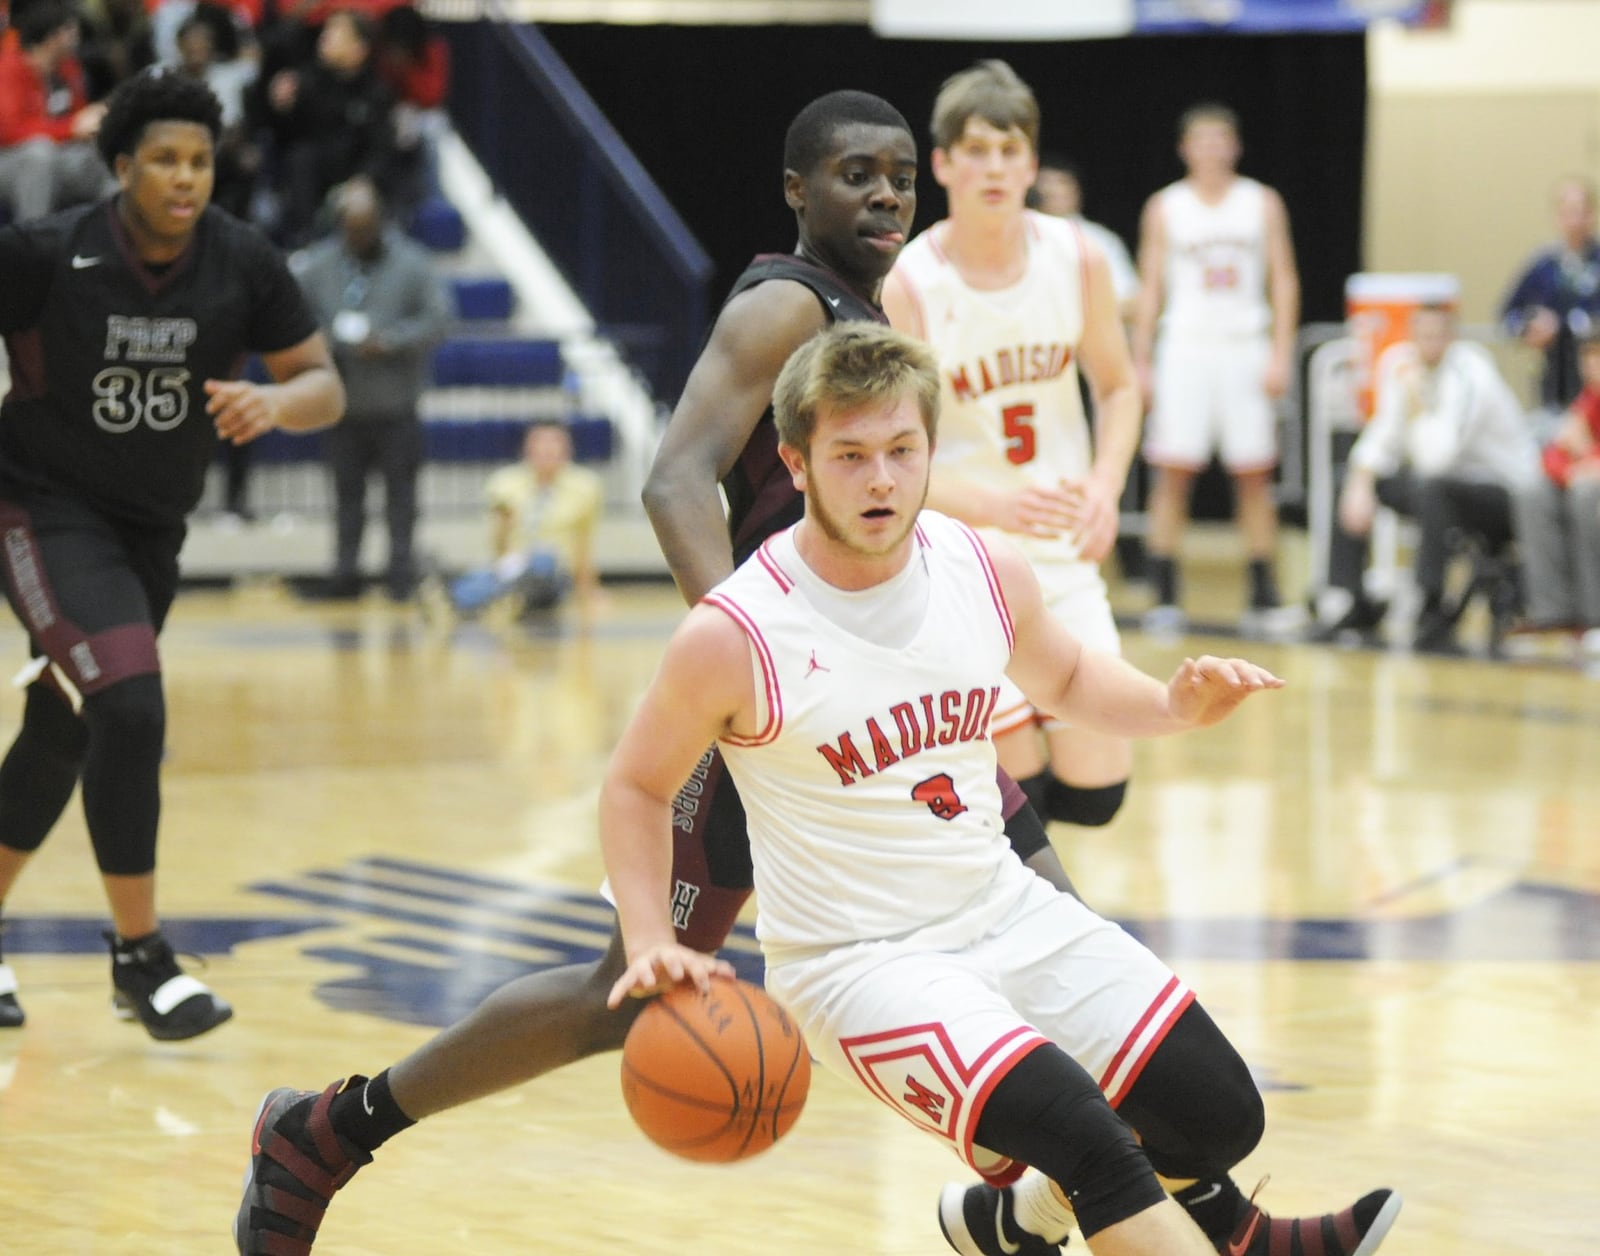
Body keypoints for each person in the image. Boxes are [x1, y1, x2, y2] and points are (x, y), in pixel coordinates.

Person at [233, 88, 1078, 1256]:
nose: (885, 193)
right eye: (854, 174)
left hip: (899, 705)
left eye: (898, 175)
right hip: (787, 719)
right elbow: (676, 476)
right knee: (616, 994)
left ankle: (1126, 1208)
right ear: (796, 190)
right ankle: (326, 1129)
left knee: (1049, 929)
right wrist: (758, 655)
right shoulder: (785, 302)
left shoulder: (861, 310)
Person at [602, 322, 1400, 1256]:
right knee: (1088, 1141)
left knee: (1216, 1117)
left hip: (1004, 909)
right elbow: (634, 786)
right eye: (850, 456)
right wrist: (649, 943)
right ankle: (1089, 1216)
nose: (882, 480)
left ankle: (1015, 1223)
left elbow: (1062, 680)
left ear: (931, 450)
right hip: (861, 964)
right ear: (797, 460)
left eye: (902, 452)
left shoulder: (984, 566)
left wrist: (1173, 705)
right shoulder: (735, 633)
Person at [0, 67, 343, 1037]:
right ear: (121, 167)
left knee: (65, 729)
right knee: (131, 704)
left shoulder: (242, 261)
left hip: (150, 531)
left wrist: (276, 402)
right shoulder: (43, 252)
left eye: (199, 160)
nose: (185, 177)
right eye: (163, 159)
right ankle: (142, 956)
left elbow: (323, 382)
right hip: (38, 509)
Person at [882, 60, 1140, 833]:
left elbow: (1120, 387)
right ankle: (1014, 933)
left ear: (1031, 163)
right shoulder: (913, 282)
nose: (995, 167)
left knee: (1099, 793)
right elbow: (896, 450)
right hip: (962, 558)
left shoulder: (1078, 258)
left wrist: (1104, 487)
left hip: (1059, 555)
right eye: (977, 150)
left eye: (1010, 150)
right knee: (1011, 801)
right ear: (942, 164)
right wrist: (993, 502)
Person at [1131, 102, 1303, 639]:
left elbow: (1284, 280)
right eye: (1200, 139)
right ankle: (1162, 591)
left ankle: (1264, 592)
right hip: (1185, 346)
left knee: (1253, 474)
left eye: (1220, 139)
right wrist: (1141, 360)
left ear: (1235, 145)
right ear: (1185, 148)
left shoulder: (1261, 202)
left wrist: (1280, 352)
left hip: (1244, 345)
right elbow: (1150, 286)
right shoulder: (1166, 207)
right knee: (1173, 471)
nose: (1211, 148)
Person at [1319, 303, 1535, 654]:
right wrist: (1361, 479)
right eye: (1423, 336)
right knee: (1352, 478)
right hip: (1445, 486)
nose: (1430, 344)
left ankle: (1430, 605)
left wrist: (1417, 400)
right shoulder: (1399, 362)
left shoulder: (1472, 373)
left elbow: (1436, 459)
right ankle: (1351, 600)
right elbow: (1383, 433)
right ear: (1412, 336)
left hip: (1505, 494)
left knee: (1432, 488)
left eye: (1438, 336)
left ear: (1452, 337)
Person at [293, 175, 448, 599]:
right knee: (346, 499)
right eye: (352, 228)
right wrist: (325, 341)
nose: (359, 236)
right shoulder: (319, 265)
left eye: (366, 228)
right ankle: (346, 574)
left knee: (401, 500)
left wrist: (392, 340)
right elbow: (295, 317)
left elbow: (439, 320)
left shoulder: (414, 263)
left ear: (381, 221)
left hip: (397, 405)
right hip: (342, 406)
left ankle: (400, 575)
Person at [440, 418, 603, 619]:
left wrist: (588, 591)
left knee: (542, 559)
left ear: (568, 450)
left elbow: (583, 545)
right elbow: (498, 548)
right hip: (511, 568)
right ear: (527, 448)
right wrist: (504, 526)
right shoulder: (503, 483)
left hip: (555, 575)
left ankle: (462, 599)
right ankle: (466, 600)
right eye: (540, 443)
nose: (547, 450)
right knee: (497, 573)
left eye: (554, 443)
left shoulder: (586, 486)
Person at [1512, 330, 1600, 654]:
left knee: (1587, 494)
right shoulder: (1588, 401)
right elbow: (1553, 455)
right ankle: (1554, 613)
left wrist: (1589, 458)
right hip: (1582, 481)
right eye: (1587, 360)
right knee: (1533, 491)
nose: (1592, 369)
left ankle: (1595, 617)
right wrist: (1574, 469)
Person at [0, 1, 118, 222]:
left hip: (59, 155)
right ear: (52, 36)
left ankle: (113, 235)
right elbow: (10, 132)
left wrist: (92, 123)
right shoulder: (9, 68)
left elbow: (77, 115)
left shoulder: (68, 68)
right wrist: (71, 128)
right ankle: (32, 240)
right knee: (38, 153)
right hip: (10, 161)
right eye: (70, 30)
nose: (77, 36)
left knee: (101, 153)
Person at [1500, 176, 1600, 412]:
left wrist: (1565, 325)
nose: (1575, 220)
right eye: (1568, 212)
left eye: (1580, 211)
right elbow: (1507, 315)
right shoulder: (1543, 264)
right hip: (1554, 379)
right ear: (1558, 216)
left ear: (1592, 214)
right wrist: (1529, 327)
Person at [1029, 154, 1138, 316]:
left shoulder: (1100, 239)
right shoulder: (1020, 234)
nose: (1052, 190)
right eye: (1045, 183)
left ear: (1077, 191)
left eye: (1061, 182)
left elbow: (1130, 300)